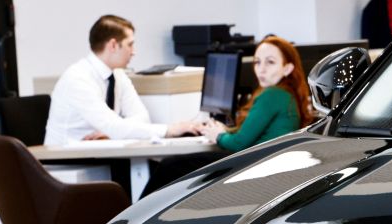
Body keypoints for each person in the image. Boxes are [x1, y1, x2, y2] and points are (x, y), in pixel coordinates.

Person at [140, 35, 313, 196]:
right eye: (257, 62)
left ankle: (133, 219)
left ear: (287, 68)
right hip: (262, 164)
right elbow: (253, 134)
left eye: (270, 63)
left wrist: (218, 136)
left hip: (253, 166)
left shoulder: (272, 95)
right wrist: (225, 131)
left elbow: (239, 144)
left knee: (169, 166)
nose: (261, 69)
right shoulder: (288, 94)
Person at [44, 15, 200, 146]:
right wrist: (170, 129)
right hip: (66, 157)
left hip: (100, 151)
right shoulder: (78, 78)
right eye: (130, 45)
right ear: (113, 45)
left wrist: (112, 132)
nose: (134, 52)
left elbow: (142, 117)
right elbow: (113, 126)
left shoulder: (118, 75)